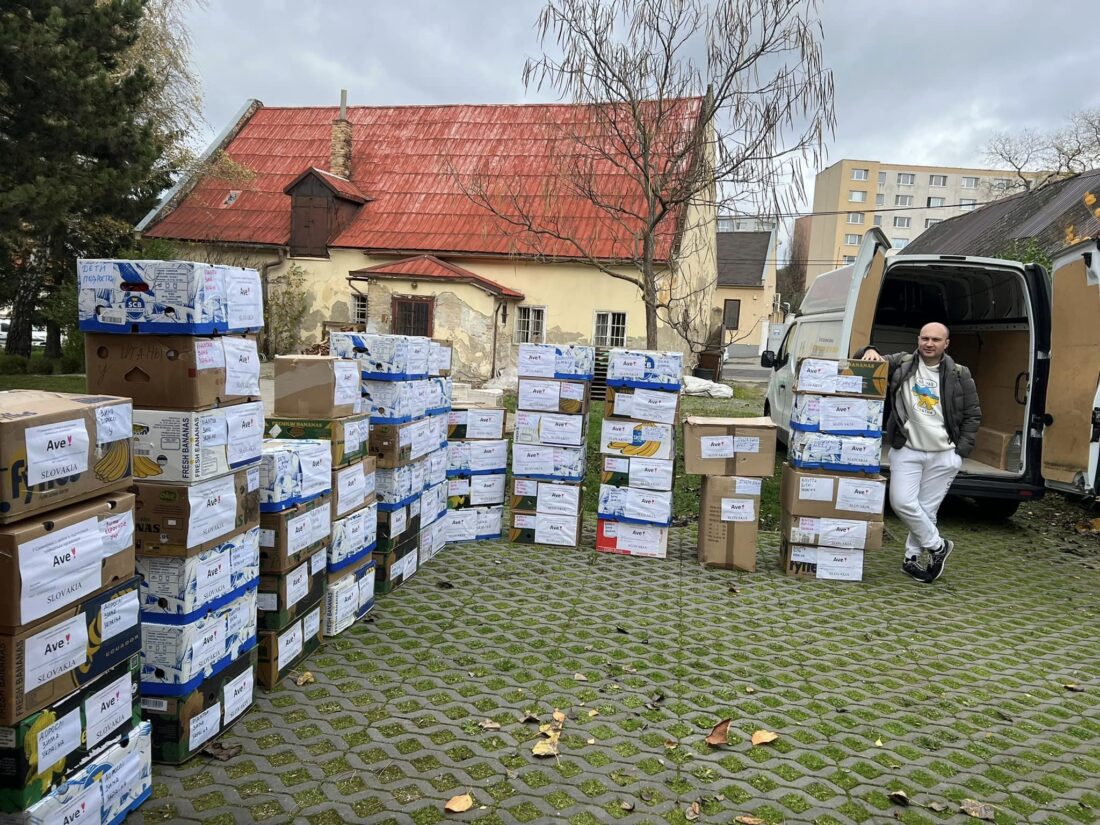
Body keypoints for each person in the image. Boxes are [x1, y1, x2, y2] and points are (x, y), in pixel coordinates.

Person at [857, 322, 981, 583]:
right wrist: (868, 349)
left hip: (944, 454)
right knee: (901, 502)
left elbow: (972, 415)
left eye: (936, 339)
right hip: (908, 449)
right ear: (918, 339)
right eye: (925, 338)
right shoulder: (902, 363)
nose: (929, 343)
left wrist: (961, 452)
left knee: (927, 510)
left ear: (946, 343)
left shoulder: (960, 374)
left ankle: (911, 559)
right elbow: (865, 361)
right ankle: (938, 547)